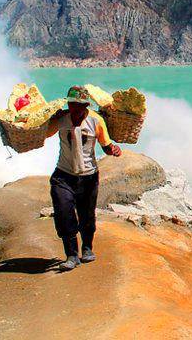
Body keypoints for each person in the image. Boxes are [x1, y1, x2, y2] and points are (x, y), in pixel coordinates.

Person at [45, 85, 122, 271]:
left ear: (87, 105)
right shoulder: (61, 120)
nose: (76, 110)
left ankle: (87, 247)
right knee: (64, 213)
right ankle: (71, 255)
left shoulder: (96, 121)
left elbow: (105, 144)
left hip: (88, 177)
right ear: (68, 104)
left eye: (80, 106)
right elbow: (43, 135)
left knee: (86, 216)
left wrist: (113, 150)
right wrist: (46, 120)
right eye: (72, 105)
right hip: (63, 175)